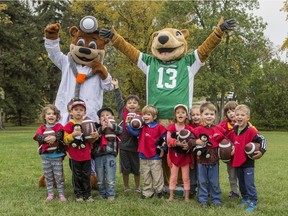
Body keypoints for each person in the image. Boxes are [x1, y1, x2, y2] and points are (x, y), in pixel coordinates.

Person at [227, 104, 267, 212]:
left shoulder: (251, 130)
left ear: (247, 118)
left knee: (249, 183)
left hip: (248, 162)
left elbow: (262, 139)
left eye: (242, 115)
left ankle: (253, 201)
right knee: (242, 183)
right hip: (237, 161)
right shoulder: (233, 130)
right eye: (237, 115)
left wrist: (262, 151)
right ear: (234, 117)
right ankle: (245, 199)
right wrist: (229, 148)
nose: (239, 117)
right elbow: (228, 141)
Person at [127, 105, 167, 199]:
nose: (145, 116)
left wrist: (163, 149)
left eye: (148, 114)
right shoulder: (141, 127)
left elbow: (164, 138)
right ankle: (147, 192)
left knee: (157, 175)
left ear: (154, 117)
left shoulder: (159, 127)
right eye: (144, 114)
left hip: (155, 156)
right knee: (146, 176)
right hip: (143, 156)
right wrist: (128, 124)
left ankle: (159, 191)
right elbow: (134, 132)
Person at [63, 99, 99, 202]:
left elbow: (93, 137)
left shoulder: (88, 123)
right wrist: (73, 135)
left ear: (85, 112)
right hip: (74, 156)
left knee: (86, 175)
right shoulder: (69, 124)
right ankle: (78, 194)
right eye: (76, 109)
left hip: (86, 155)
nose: (78, 112)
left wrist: (96, 136)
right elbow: (65, 139)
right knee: (76, 176)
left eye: (81, 110)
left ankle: (87, 194)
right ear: (71, 112)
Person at [111, 78, 141, 193]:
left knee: (136, 168)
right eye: (129, 102)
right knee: (125, 169)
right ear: (126, 105)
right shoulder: (123, 113)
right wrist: (116, 87)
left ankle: (137, 187)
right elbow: (119, 101)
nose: (132, 104)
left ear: (138, 105)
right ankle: (126, 187)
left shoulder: (140, 116)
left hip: (136, 147)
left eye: (134, 103)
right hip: (123, 146)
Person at [193, 102, 225, 207]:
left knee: (214, 181)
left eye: (211, 114)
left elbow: (226, 139)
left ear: (215, 116)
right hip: (201, 160)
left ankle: (216, 199)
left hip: (214, 160)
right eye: (206, 114)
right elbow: (189, 140)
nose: (209, 116)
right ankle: (203, 199)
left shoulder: (219, 129)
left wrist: (231, 146)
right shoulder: (197, 130)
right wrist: (196, 142)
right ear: (201, 115)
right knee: (202, 181)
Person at [33, 104, 67, 202]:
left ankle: (61, 194)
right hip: (45, 156)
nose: (51, 116)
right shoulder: (42, 128)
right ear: (44, 116)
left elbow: (61, 134)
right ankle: (50, 193)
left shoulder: (59, 126)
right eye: (48, 114)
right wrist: (45, 138)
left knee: (58, 176)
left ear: (57, 116)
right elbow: (37, 137)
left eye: (54, 114)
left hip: (57, 155)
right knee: (48, 175)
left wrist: (55, 137)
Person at [166, 104, 195, 202]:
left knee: (186, 177)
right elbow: (168, 140)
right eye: (178, 113)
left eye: (183, 112)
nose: (180, 114)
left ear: (186, 115)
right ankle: (171, 196)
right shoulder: (171, 127)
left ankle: (186, 197)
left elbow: (193, 140)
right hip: (174, 156)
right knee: (173, 176)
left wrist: (189, 145)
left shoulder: (189, 128)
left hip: (185, 157)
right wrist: (178, 143)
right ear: (175, 115)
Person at [94, 107, 123, 201]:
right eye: (102, 116)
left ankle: (111, 194)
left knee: (110, 176)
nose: (105, 117)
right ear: (99, 119)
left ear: (112, 117)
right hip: (98, 155)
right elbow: (94, 137)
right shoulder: (97, 128)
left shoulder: (114, 127)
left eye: (107, 115)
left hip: (110, 155)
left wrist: (111, 126)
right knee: (100, 177)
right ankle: (102, 194)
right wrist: (102, 129)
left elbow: (121, 130)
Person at [218, 101, 240, 198]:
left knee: (242, 174)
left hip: (240, 154)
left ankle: (245, 191)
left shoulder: (244, 123)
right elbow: (217, 133)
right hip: (229, 154)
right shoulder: (223, 124)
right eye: (228, 112)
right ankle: (234, 192)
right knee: (231, 174)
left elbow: (253, 133)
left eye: (233, 111)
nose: (231, 113)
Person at [188, 104, 201, 198]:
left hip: (204, 155)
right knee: (192, 171)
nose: (196, 117)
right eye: (193, 115)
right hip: (192, 154)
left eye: (198, 114)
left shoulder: (206, 126)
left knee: (202, 172)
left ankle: (204, 189)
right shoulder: (189, 126)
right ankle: (192, 189)